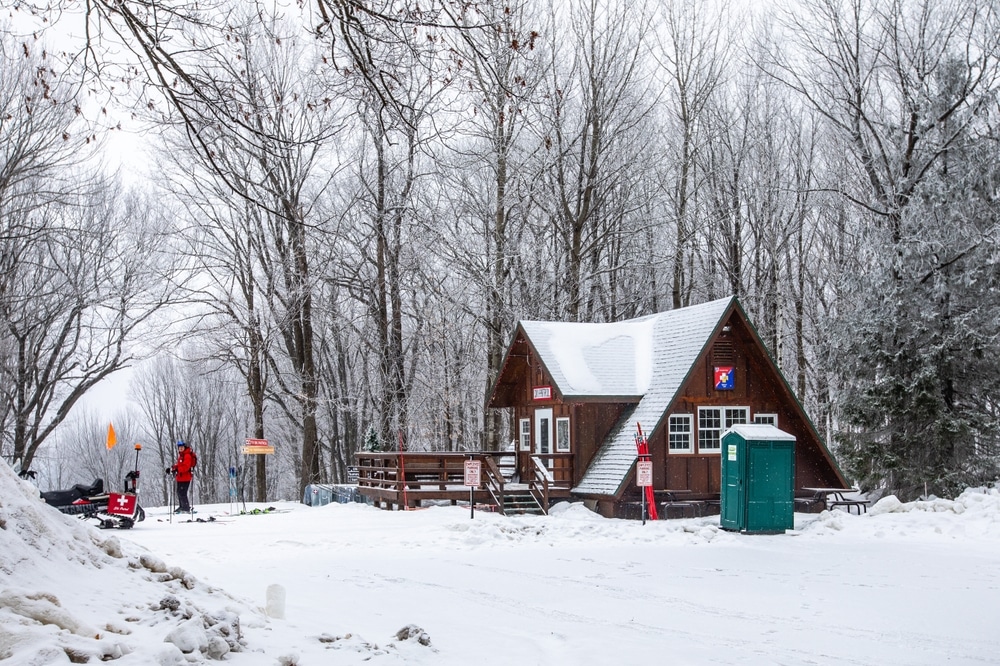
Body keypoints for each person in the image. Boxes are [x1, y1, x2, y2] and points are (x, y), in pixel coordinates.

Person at [168, 440, 195, 513]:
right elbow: (179, 465)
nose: (180, 448)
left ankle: (185, 508)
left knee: (182, 493)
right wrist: (172, 468)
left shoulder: (187, 455)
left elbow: (186, 467)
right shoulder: (182, 455)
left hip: (185, 477)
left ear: (184, 447)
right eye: (179, 447)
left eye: (182, 447)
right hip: (180, 477)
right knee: (179, 492)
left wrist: (177, 470)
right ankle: (182, 506)